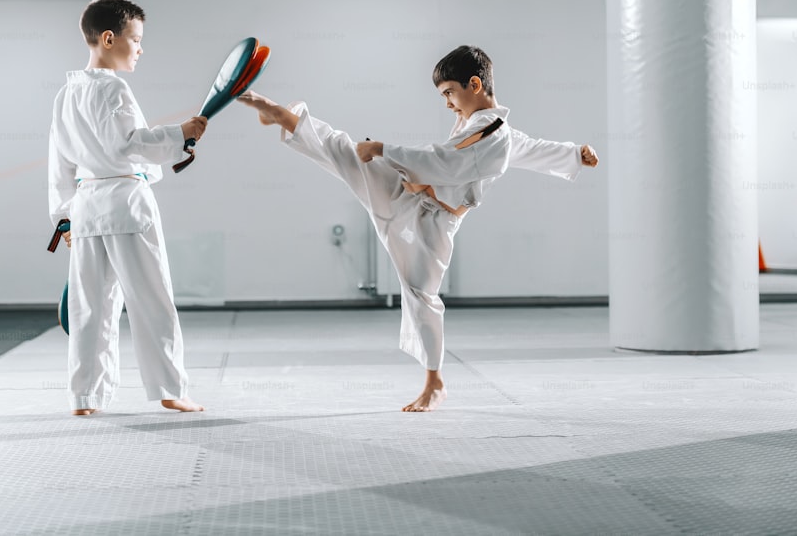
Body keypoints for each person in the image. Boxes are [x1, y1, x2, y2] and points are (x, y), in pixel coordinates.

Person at [238, 45, 598, 412]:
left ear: (474, 84)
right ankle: (283, 116)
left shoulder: (495, 133)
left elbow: (446, 163)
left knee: (421, 294)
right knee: (348, 155)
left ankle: (434, 382)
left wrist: (383, 148)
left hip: (433, 222)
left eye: (449, 94)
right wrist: (573, 153)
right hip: (409, 195)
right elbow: (524, 148)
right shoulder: (484, 124)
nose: (447, 104)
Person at [48, 0, 206, 416]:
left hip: (85, 208)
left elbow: (59, 163)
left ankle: (85, 397)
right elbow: (130, 145)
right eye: (135, 39)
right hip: (125, 205)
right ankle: (171, 389)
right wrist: (181, 133)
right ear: (108, 38)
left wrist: (63, 218)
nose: (140, 48)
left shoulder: (66, 94)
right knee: (151, 300)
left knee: (89, 308)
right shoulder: (114, 87)